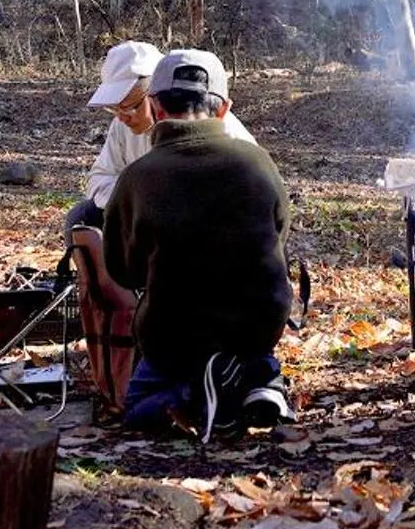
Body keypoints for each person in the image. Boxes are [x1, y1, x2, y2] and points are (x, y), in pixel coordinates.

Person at [102, 50, 293, 438]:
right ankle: (258, 379)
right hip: (255, 331)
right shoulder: (259, 163)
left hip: (174, 337)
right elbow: (278, 236)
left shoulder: (138, 178)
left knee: (136, 410)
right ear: (224, 110)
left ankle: (196, 394)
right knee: (250, 337)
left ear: (154, 107)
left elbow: (124, 269)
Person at [65, 40, 256, 237]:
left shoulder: (225, 134)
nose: (122, 117)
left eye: (130, 106)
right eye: (114, 107)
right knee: (81, 217)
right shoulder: (122, 125)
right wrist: (136, 198)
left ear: (155, 96)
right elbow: (98, 178)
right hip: (142, 216)